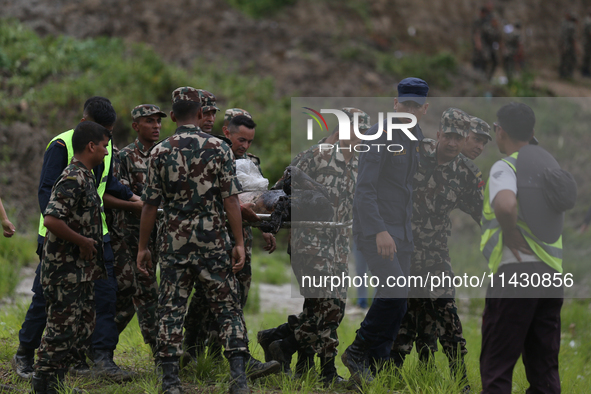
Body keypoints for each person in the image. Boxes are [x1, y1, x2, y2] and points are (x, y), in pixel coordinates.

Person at [12, 97, 139, 382]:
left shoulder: (103, 147)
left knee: (104, 296)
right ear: (86, 125)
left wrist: (135, 199)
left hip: (98, 236)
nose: (107, 141)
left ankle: (99, 358)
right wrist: (72, 235)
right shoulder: (62, 145)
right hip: (61, 240)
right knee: (48, 299)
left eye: (109, 132)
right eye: (103, 132)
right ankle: (25, 353)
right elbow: (47, 193)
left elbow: (110, 183)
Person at [136, 87, 249, 394]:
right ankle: (238, 379)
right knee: (228, 306)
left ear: (172, 117)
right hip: (213, 241)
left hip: (174, 244)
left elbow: (149, 205)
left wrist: (143, 247)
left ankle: (170, 382)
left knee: (171, 309)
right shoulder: (219, 148)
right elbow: (232, 200)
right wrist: (238, 242)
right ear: (201, 115)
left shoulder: (158, 152)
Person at [262, 108, 370, 387]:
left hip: (338, 246)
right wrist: (271, 227)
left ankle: (285, 345)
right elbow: (278, 192)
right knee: (327, 310)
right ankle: (326, 374)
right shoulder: (315, 155)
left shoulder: (359, 162)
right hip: (309, 244)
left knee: (324, 309)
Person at [479, 102, 576, 393]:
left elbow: (506, 204)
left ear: (501, 131)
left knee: (497, 364)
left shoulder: (506, 166)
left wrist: (509, 233)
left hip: (516, 273)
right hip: (551, 277)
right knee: (544, 368)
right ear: (532, 132)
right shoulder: (548, 170)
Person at [339, 77, 429, 385]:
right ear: (395, 104)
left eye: (416, 106)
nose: (409, 109)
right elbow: (364, 189)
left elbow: (403, 189)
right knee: (395, 295)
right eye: (405, 104)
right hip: (378, 231)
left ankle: (375, 370)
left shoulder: (416, 137)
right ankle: (357, 351)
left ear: (424, 109)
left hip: (401, 233)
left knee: (398, 302)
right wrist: (379, 231)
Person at [390, 109, 486, 393]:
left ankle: (461, 380)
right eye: (450, 136)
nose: (454, 143)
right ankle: (389, 374)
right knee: (404, 314)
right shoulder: (413, 155)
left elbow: (482, 212)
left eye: (460, 137)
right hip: (403, 250)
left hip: (435, 255)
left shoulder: (466, 174)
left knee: (446, 312)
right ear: (440, 134)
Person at [182, 109, 279, 379]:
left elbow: (256, 199)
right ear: (227, 133)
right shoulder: (210, 154)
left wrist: (265, 226)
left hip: (241, 237)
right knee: (208, 298)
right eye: (241, 140)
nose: (245, 146)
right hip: (214, 238)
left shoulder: (249, 161)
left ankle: (218, 353)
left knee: (240, 292)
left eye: (249, 141)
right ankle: (194, 347)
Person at [31, 121, 110, 393]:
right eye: (104, 147)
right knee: (59, 332)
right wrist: (83, 241)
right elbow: (52, 218)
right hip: (64, 271)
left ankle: (56, 383)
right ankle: (42, 385)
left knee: (78, 330)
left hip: (80, 271)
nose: (107, 153)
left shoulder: (87, 176)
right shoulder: (72, 177)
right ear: (91, 146)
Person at [111, 104, 166, 357]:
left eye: (158, 121)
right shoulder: (123, 157)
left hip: (161, 232)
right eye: (150, 121)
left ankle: (95, 347)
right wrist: (145, 205)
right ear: (136, 126)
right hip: (130, 235)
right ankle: (159, 350)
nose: (156, 125)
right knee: (138, 291)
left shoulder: (166, 154)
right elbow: (121, 192)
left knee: (141, 294)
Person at [559, 12, 578, 79]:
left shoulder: (564, 23)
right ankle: (568, 74)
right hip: (569, 46)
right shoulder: (572, 26)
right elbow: (573, 38)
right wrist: (576, 47)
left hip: (563, 44)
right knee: (570, 59)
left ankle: (562, 73)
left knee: (563, 59)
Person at [582, 8, 591, 77]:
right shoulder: (588, 21)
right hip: (588, 42)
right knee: (587, 57)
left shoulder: (587, 20)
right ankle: (585, 72)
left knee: (587, 57)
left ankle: (586, 71)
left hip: (587, 42)